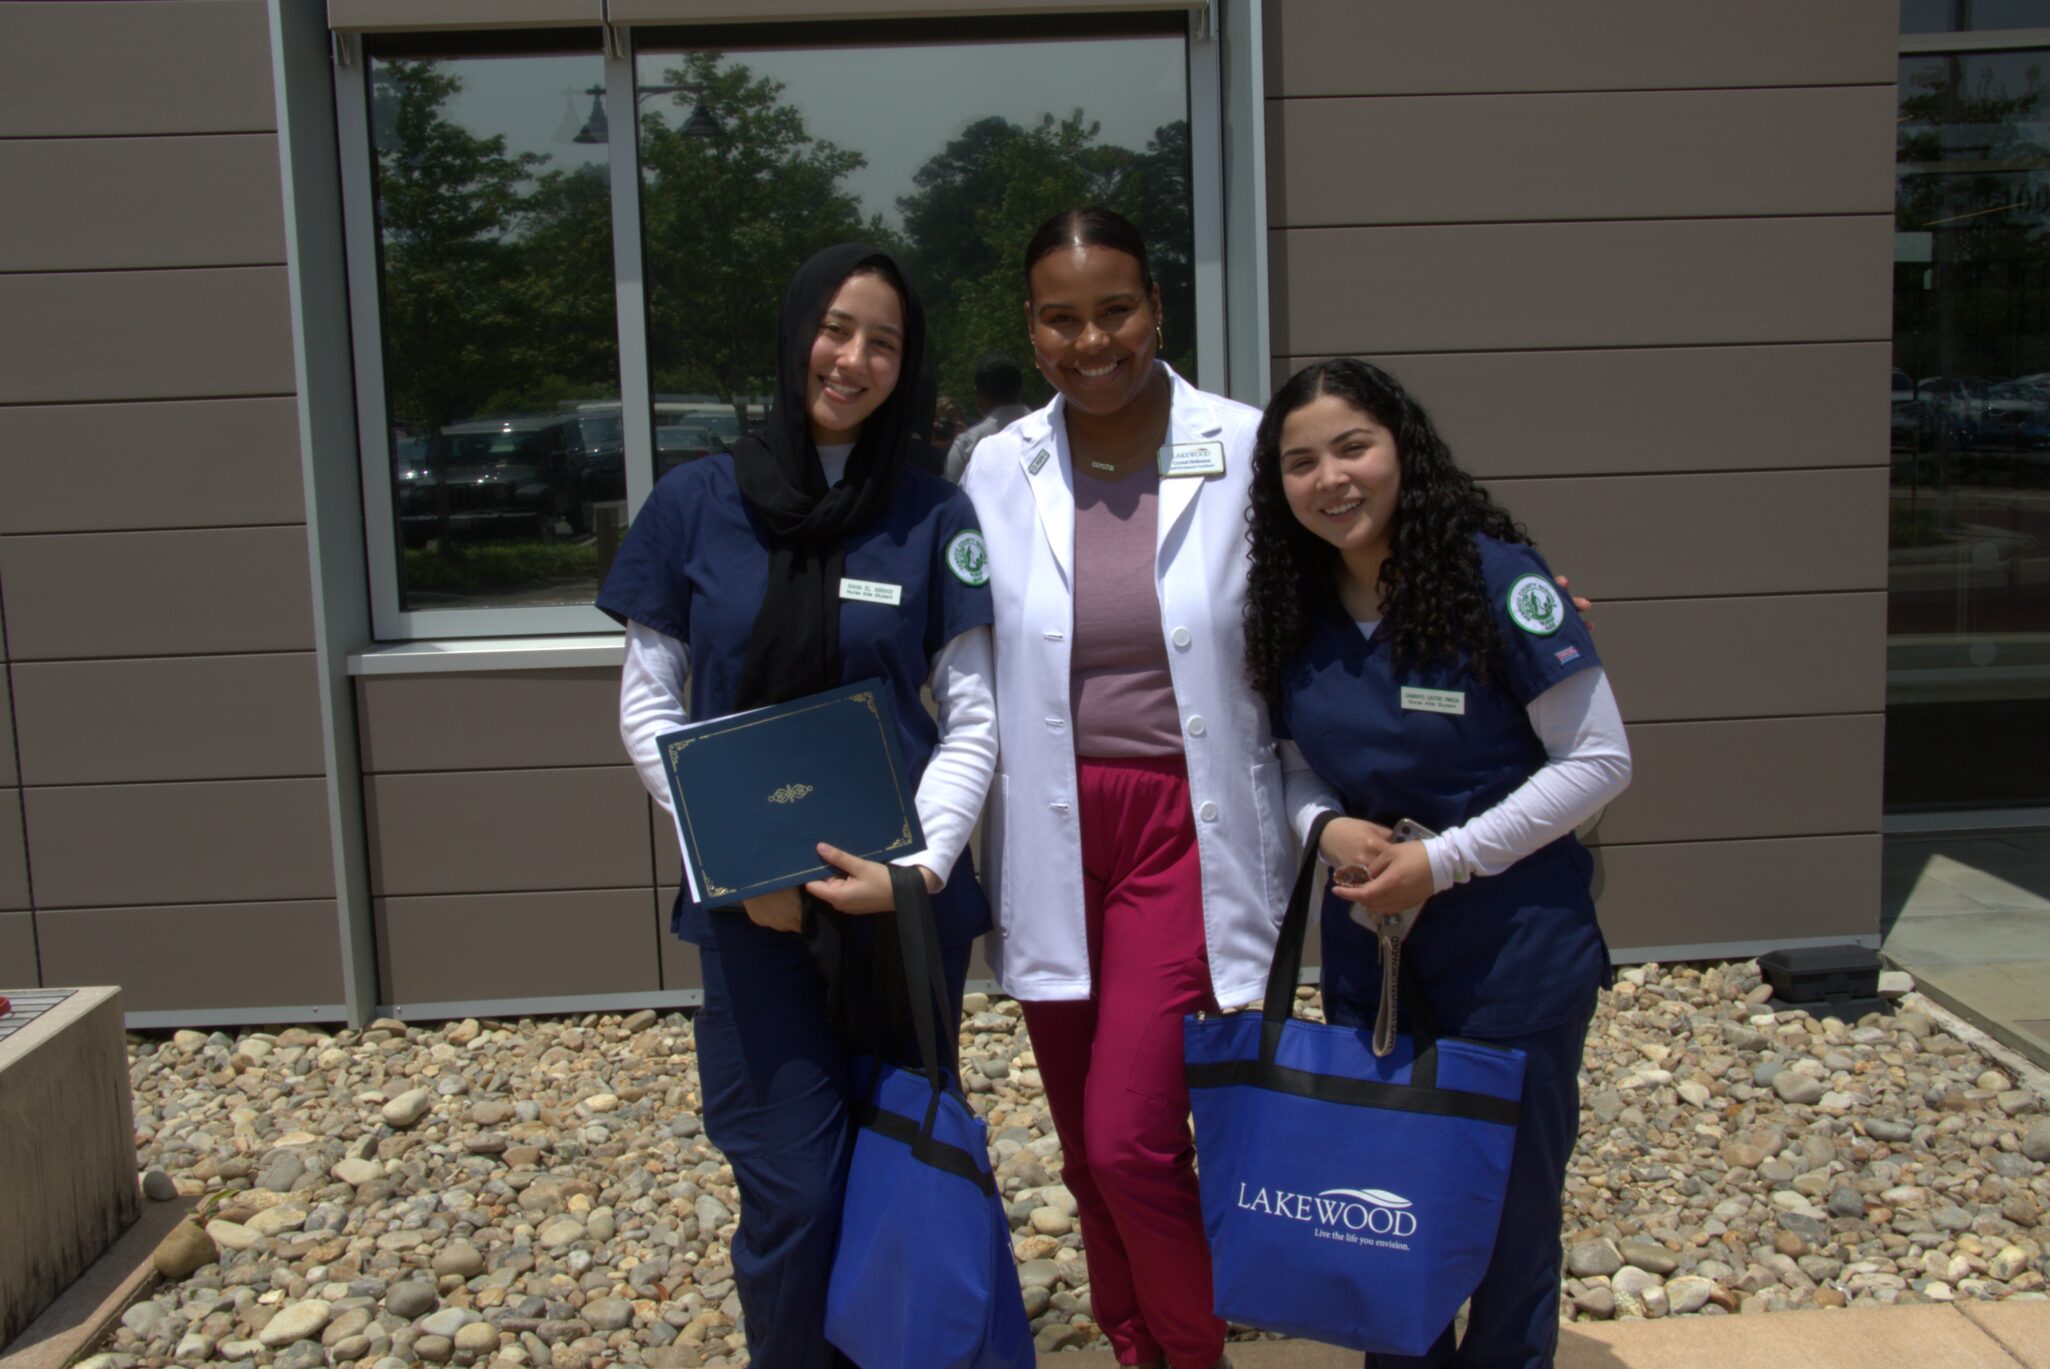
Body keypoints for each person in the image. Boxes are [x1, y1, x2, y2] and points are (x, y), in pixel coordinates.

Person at [597, 243, 997, 1367]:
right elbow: (649, 707)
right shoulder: (693, 503)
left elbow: (971, 716)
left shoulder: (930, 511)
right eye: (835, 327)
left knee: (900, 1172)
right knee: (795, 1192)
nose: (854, 358)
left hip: (898, 910)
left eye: (884, 341)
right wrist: (744, 859)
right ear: (794, 335)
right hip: (751, 912)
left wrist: (916, 873)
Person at [1243, 358, 1632, 1369]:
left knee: (1506, 1223)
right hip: (1375, 969)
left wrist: (1445, 862)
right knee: (1390, 1215)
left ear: (1401, 453)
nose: (1330, 477)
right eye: (1299, 461)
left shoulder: (1494, 577)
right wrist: (1322, 826)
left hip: (1513, 961)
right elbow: (1289, 764)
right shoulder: (1291, 605)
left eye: (1352, 447)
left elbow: (1598, 760)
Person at [961, 206, 1275, 1369]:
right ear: (1030, 327)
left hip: (1179, 831)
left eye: (1115, 311)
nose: (1090, 340)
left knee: (1133, 1137)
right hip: (1050, 830)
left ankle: (1188, 1353)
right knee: (1084, 1150)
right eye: (1061, 318)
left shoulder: (1245, 445)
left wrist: (1502, 590)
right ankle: (1134, 1342)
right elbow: (940, 635)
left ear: (1157, 309)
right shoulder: (996, 466)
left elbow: (1367, 552)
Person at [946, 351, 1033, 482]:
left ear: (978, 394)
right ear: (1020, 388)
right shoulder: (1054, 431)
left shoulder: (966, 444)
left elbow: (951, 494)